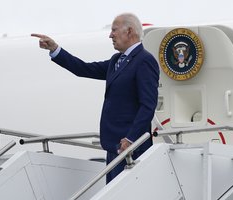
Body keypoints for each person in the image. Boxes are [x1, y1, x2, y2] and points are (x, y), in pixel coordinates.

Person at [32, 13, 159, 183]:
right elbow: (83, 69)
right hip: (114, 146)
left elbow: (148, 105)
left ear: (129, 31)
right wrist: (55, 49)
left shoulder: (144, 61)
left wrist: (131, 139)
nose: (110, 35)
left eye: (114, 30)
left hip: (131, 149)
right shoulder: (117, 60)